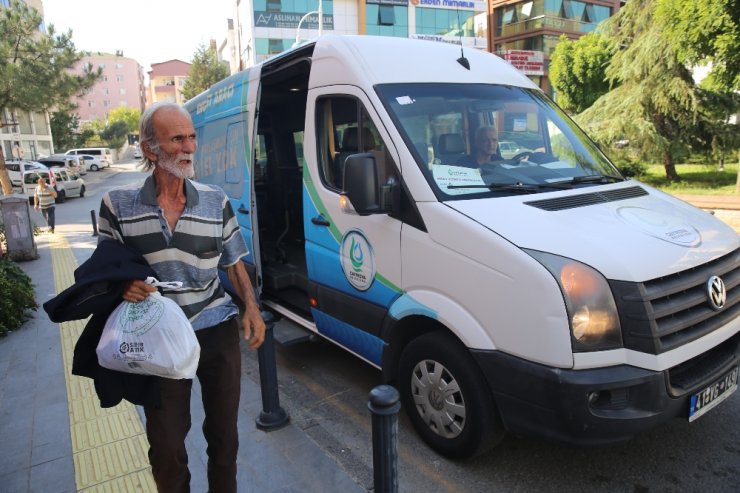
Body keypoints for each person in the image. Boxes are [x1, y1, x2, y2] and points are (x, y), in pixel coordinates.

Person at [96, 101, 266, 493]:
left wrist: (251, 308)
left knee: (224, 439)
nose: (189, 147)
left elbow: (233, 262)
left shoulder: (215, 200)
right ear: (149, 148)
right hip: (159, 341)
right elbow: (105, 270)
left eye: (192, 136)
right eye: (177, 139)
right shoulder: (117, 206)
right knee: (167, 447)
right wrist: (123, 286)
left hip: (215, 330)